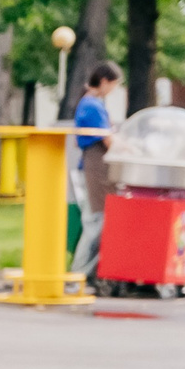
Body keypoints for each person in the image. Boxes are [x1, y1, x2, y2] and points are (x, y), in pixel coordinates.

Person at [69, 60, 121, 283]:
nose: (114, 90)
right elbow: (108, 141)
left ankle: (86, 272)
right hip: (94, 170)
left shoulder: (90, 103)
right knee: (96, 223)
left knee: (97, 221)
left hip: (94, 168)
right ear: (103, 81)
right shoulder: (92, 105)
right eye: (113, 84)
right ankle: (78, 273)